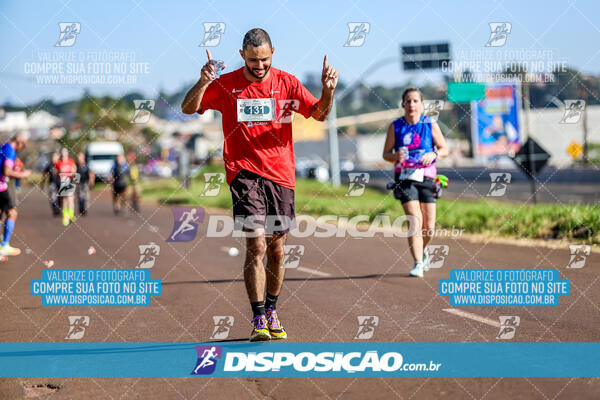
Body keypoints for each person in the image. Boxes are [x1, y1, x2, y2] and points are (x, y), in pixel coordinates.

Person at [182, 28, 338, 341]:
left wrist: (328, 90)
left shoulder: (287, 82)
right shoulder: (225, 85)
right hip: (243, 173)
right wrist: (203, 81)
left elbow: (318, 115)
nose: (259, 66)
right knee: (256, 243)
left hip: (280, 174)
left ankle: (271, 309)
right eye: (253, 60)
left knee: (277, 249)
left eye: (264, 59)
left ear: (273, 53)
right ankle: (257, 317)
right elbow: (188, 108)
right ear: (242, 56)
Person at [382, 88, 448, 278]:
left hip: (427, 176)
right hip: (404, 177)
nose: (411, 104)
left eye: (415, 101)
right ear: (403, 104)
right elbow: (385, 155)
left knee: (429, 228)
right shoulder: (395, 126)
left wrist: (433, 154)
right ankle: (418, 263)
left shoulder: (430, 124)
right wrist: (395, 156)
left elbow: (444, 148)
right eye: (408, 101)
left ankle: (423, 251)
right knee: (414, 220)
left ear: (421, 104)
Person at [0, 132, 32, 256]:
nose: (22, 149)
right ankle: (5, 245)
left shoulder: (4, 146)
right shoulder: (11, 151)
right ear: (20, 142)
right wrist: (23, 175)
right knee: (12, 213)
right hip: (1, 187)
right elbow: (7, 172)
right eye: (23, 145)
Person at [55, 148, 77, 226]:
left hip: (70, 180)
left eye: (66, 152)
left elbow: (74, 170)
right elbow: (56, 172)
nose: (64, 153)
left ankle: (71, 215)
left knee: (70, 198)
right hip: (63, 181)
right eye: (63, 152)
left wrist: (75, 179)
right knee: (64, 200)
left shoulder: (71, 161)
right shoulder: (59, 163)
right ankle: (65, 216)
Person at [43, 152, 61, 216]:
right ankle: (55, 210)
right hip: (52, 184)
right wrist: (43, 183)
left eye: (56, 157)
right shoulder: (49, 165)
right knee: (53, 198)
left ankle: (59, 209)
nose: (54, 159)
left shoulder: (60, 164)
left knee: (60, 198)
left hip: (60, 183)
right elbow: (44, 174)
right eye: (53, 157)